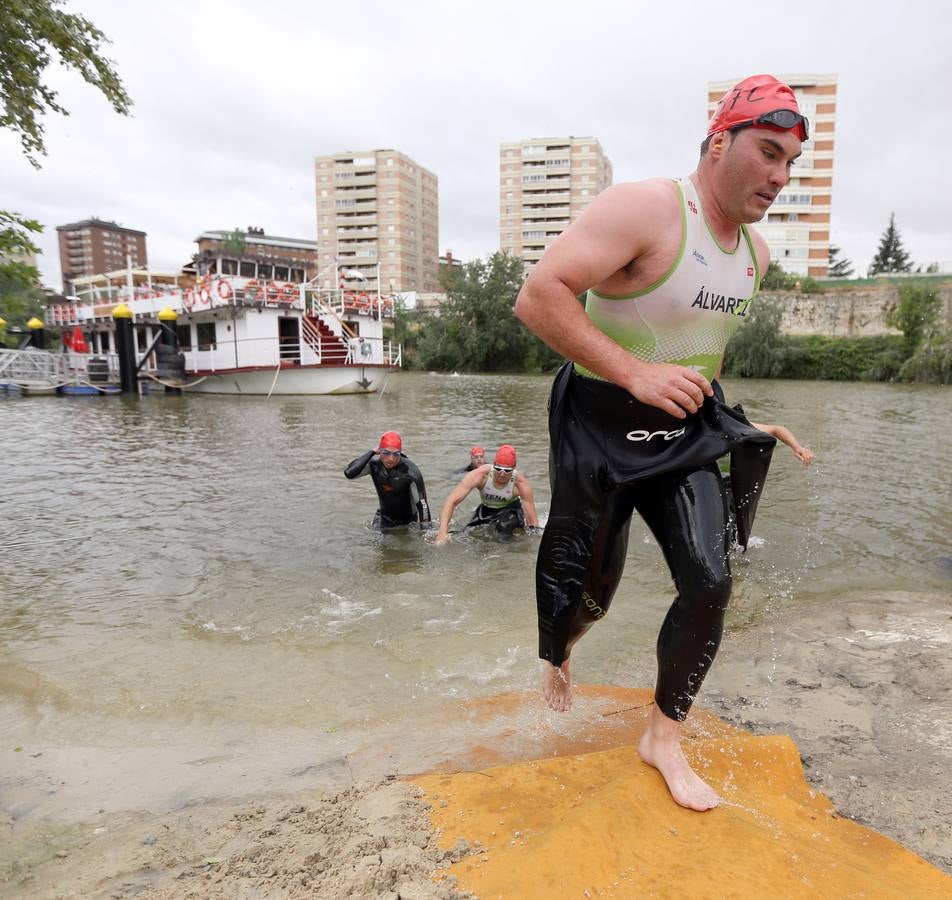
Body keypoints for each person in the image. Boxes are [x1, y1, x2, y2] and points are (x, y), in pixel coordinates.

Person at [513, 74, 807, 811]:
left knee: (710, 582)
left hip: (682, 434)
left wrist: (737, 421)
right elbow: (538, 296)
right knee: (586, 594)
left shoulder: (756, 257)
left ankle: (662, 738)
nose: (779, 176)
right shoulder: (646, 208)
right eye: (767, 153)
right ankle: (559, 656)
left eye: (790, 164)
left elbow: (704, 357)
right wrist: (634, 372)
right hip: (597, 423)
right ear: (719, 143)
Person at [435, 445, 540, 545]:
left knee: (503, 528)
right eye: (498, 469)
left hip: (510, 510)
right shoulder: (480, 475)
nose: (502, 474)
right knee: (466, 534)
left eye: (507, 471)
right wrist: (442, 532)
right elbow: (451, 501)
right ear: (494, 464)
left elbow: (533, 523)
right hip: (486, 509)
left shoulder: (520, 483)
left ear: (514, 468)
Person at [344, 431, 432, 530]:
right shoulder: (374, 466)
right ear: (379, 451)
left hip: (408, 522)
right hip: (383, 518)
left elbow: (422, 505)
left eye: (396, 454)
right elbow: (349, 473)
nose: (391, 459)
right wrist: (371, 452)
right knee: (374, 543)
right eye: (386, 453)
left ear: (401, 453)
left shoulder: (411, 472)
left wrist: (426, 532)